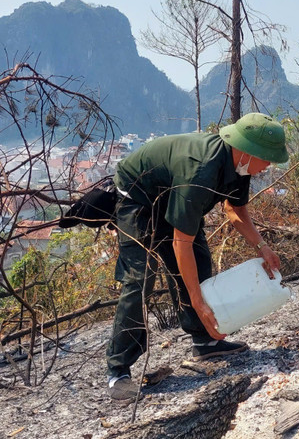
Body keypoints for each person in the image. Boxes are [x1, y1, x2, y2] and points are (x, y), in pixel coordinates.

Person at [105, 113, 288, 401]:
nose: (268, 165)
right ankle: (118, 371)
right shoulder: (201, 170)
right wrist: (197, 301)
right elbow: (181, 242)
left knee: (200, 263)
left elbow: (235, 210)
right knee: (141, 278)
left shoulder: (239, 166)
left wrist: (261, 246)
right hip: (138, 197)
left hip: (172, 194)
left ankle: (204, 342)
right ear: (247, 151)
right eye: (266, 158)